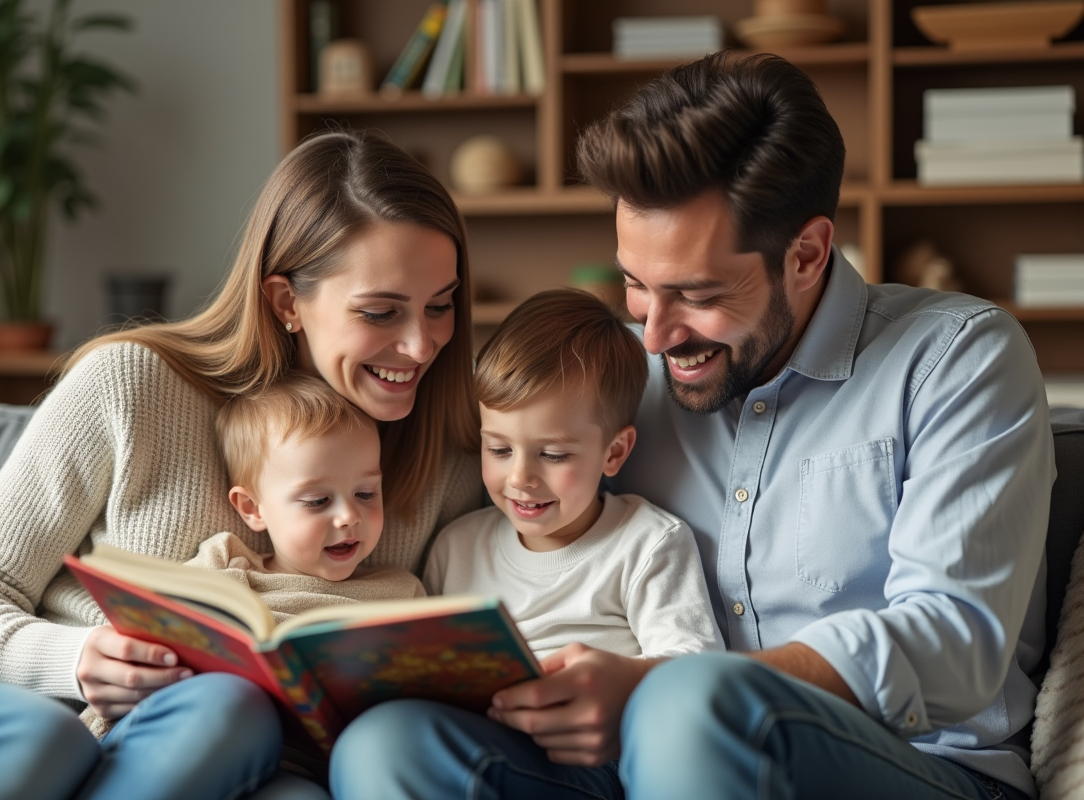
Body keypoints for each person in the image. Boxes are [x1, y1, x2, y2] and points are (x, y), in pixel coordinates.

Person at [329, 52, 1055, 800]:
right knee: (391, 745)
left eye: (697, 293)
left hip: (909, 766)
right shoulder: (620, 387)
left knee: (687, 704)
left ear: (806, 255)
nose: (654, 335)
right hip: (639, 766)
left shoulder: (957, 358)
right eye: (636, 286)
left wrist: (658, 685)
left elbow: (956, 640)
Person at [0, 130, 481, 800]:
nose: (420, 344)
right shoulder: (132, 386)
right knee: (59, 735)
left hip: (237, 756)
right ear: (287, 302)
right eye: (381, 311)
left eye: (441, 306)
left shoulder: (452, 460)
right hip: (39, 715)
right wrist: (77, 660)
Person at [79, 374, 424, 744]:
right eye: (317, 501)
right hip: (208, 734)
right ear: (252, 509)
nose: (349, 517)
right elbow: (155, 640)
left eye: (366, 493)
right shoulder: (226, 565)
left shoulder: (401, 590)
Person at [424, 289, 721, 662]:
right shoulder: (456, 549)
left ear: (613, 453)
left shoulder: (648, 544)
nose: (520, 477)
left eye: (552, 454)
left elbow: (695, 662)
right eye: (499, 449)